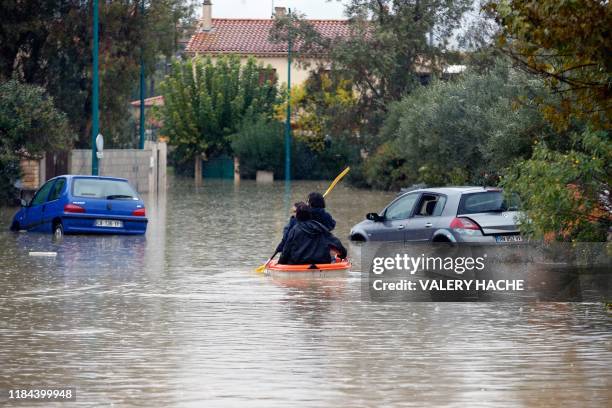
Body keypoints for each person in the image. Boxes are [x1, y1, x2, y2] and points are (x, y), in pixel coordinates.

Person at [278, 203, 347, 265]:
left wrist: (281, 262)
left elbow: (286, 249)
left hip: (298, 263)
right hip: (321, 262)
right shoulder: (321, 227)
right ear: (310, 215)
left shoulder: (293, 230)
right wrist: (343, 254)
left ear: (298, 216)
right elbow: (336, 243)